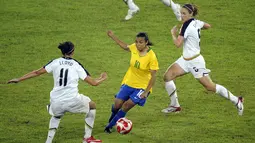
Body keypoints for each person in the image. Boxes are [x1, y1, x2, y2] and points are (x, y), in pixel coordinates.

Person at [7, 41, 107, 143]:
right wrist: (102, 78)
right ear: (72, 52)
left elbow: (37, 72)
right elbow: (93, 83)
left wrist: (19, 79)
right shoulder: (76, 65)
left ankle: (48, 141)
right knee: (92, 105)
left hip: (56, 101)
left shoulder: (55, 62)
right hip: (72, 100)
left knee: (56, 116)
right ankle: (87, 138)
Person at [161, 4, 244, 116]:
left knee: (210, 87)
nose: (181, 15)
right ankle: (175, 106)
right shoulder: (196, 22)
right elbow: (207, 26)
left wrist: (173, 34)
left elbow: (177, 44)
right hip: (185, 59)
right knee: (167, 76)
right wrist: (198, 28)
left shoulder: (186, 26)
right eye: (181, 12)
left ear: (191, 14)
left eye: (184, 13)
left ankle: (236, 100)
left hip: (195, 62)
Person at [104, 30, 159, 133]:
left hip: (142, 86)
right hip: (129, 82)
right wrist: (113, 36)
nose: (138, 44)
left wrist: (146, 91)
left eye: (141, 42)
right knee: (117, 105)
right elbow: (125, 46)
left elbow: (153, 76)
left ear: (146, 42)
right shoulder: (134, 47)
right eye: (137, 41)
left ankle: (110, 126)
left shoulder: (151, 56)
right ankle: (113, 119)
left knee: (126, 105)